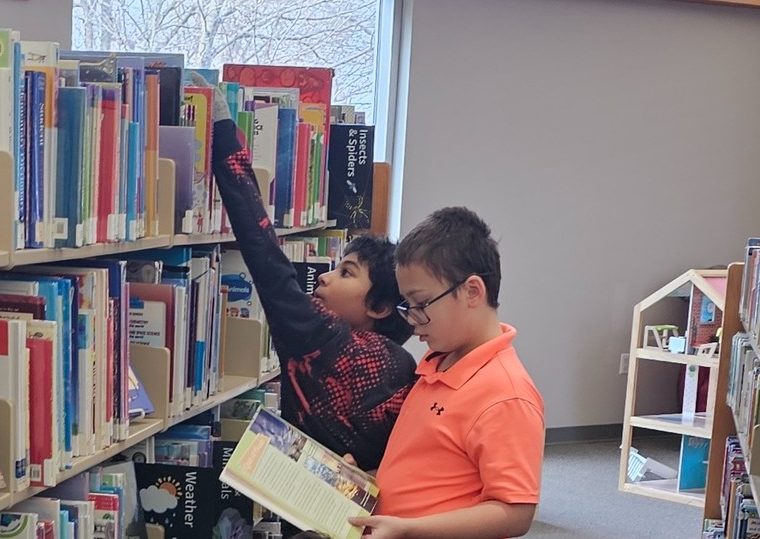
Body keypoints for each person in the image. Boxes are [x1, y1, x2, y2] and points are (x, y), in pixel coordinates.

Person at [191, 73, 418, 472]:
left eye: (347, 273)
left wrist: (224, 134)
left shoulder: (321, 337)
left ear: (381, 306)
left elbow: (263, 252)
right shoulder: (404, 364)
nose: (326, 278)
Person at [349, 207, 545, 539]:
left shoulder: (506, 394)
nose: (410, 319)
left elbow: (515, 512)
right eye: (406, 305)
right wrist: (364, 482)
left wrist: (409, 529)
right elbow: (429, 471)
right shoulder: (437, 363)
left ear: (472, 292)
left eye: (421, 304)